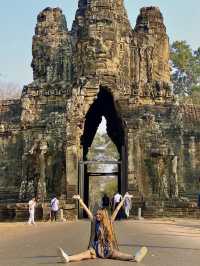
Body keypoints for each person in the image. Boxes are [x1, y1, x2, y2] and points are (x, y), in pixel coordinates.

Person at [57, 193, 148, 263]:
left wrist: (124, 198)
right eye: (96, 214)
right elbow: (87, 210)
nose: (97, 216)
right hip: (96, 248)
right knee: (84, 254)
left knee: (119, 255)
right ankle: (68, 258)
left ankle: (134, 257)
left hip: (108, 248)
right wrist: (80, 200)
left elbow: (116, 210)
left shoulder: (109, 222)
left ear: (103, 215)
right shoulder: (94, 222)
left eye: (99, 214)